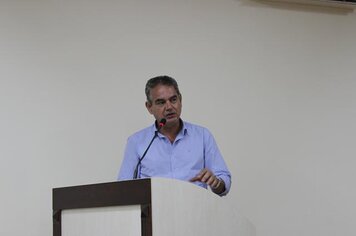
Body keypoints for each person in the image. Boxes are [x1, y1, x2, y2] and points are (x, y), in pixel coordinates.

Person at [118, 76, 231, 196]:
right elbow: (123, 187)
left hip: (195, 210)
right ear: (149, 107)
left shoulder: (202, 136)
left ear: (180, 100)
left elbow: (224, 181)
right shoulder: (136, 142)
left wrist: (217, 183)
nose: (169, 107)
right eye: (161, 102)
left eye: (173, 100)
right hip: (154, 212)